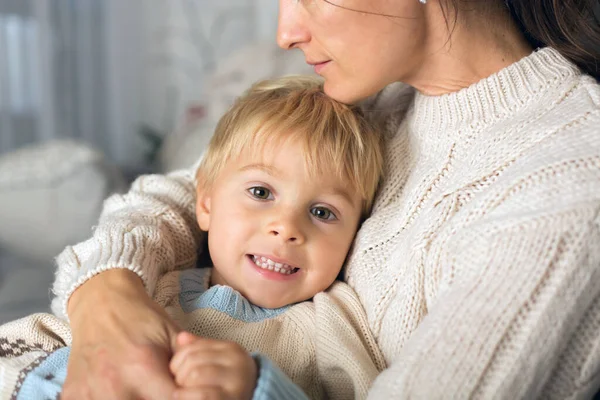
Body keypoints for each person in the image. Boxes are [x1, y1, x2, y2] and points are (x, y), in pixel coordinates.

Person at [55, 0, 600, 399]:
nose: (285, 32)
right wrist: (108, 298)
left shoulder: (569, 176)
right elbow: (186, 193)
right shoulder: (376, 99)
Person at [0, 76, 386, 399]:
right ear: (205, 204)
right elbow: (31, 351)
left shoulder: (332, 328)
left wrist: (259, 389)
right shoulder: (153, 287)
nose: (286, 228)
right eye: (261, 193)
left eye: (322, 213)